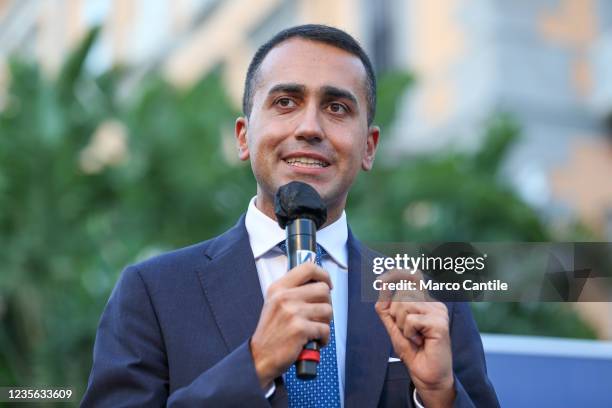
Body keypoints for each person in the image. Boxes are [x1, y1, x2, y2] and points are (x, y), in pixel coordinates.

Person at [82, 24, 499, 407]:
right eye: (286, 102)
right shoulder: (154, 293)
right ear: (244, 137)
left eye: (337, 107)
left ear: (369, 147)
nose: (310, 127)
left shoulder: (434, 301)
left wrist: (438, 395)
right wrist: (255, 363)